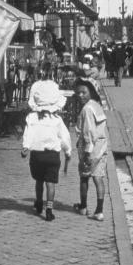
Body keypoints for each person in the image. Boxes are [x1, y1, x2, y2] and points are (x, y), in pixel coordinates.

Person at [22, 80, 71, 221]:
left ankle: (38, 202)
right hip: (52, 155)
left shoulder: (32, 117)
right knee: (51, 183)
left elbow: (28, 133)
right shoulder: (56, 120)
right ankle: (49, 208)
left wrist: (25, 147)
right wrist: (68, 152)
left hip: (37, 155)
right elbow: (65, 138)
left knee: (39, 181)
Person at [73, 78, 108, 221]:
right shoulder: (96, 105)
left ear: (91, 92)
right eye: (78, 93)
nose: (81, 95)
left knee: (84, 177)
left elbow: (88, 133)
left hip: (90, 148)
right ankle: (99, 211)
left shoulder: (87, 109)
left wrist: (87, 153)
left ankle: (83, 207)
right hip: (101, 147)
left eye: (84, 92)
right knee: (98, 178)